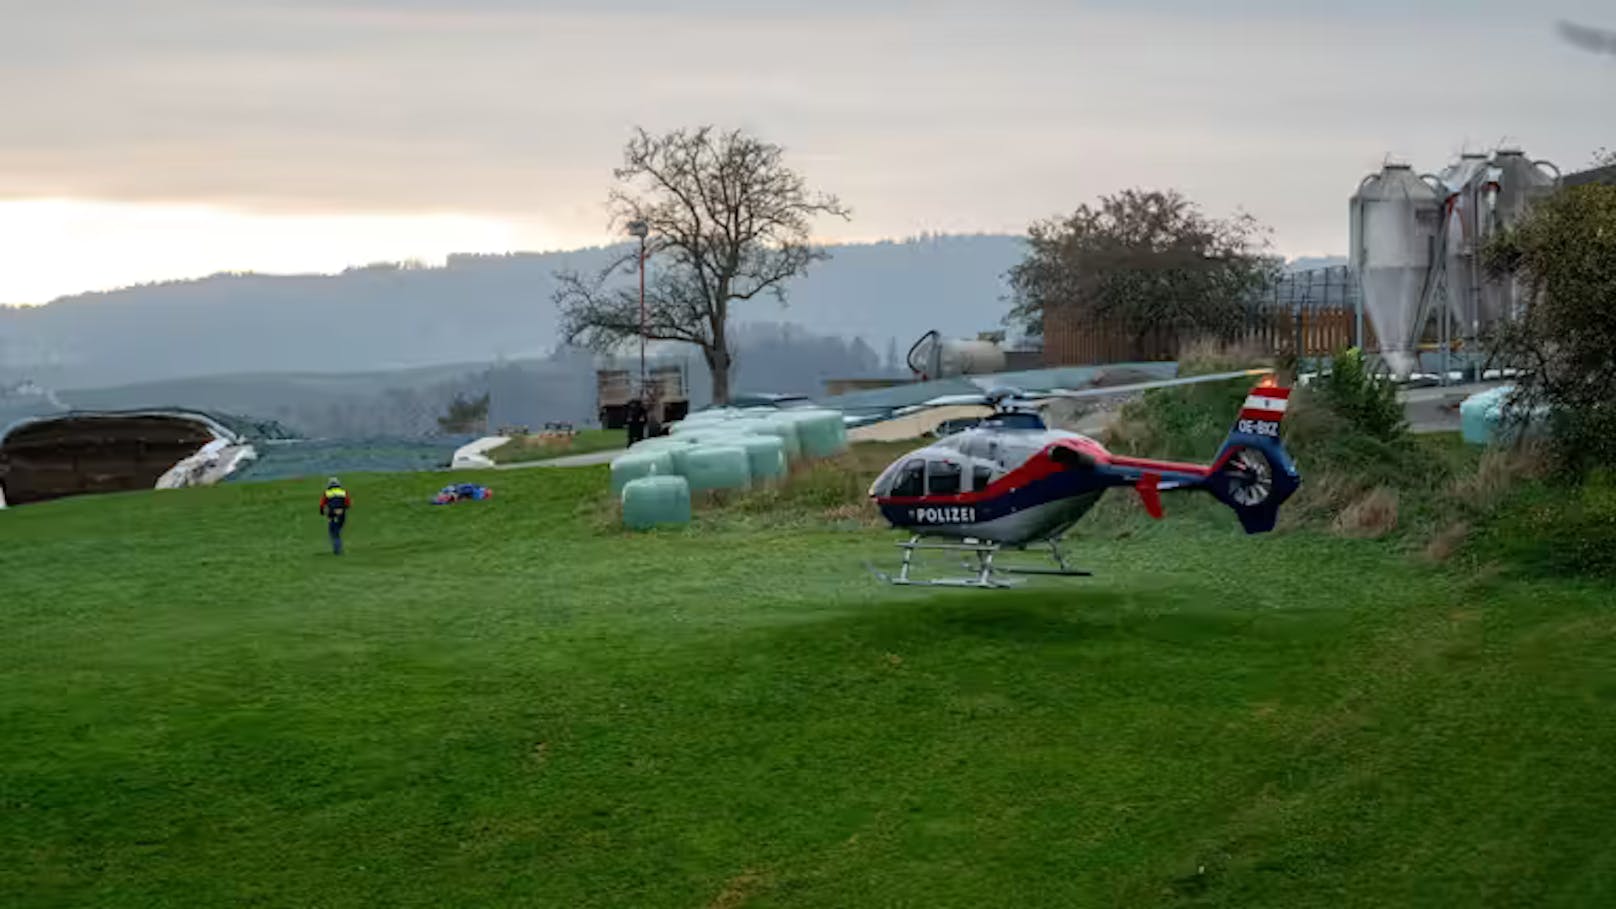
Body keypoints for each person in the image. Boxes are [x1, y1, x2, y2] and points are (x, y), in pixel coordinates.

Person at [319, 477, 352, 556]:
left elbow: (322, 503)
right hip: (341, 513)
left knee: (333, 531)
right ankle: (338, 548)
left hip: (332, 513)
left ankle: (337, 549)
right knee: (338, 530)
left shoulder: (327, 492)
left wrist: (322, 511)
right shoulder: (343, 492)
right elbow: (348, 503)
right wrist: (343, 509)